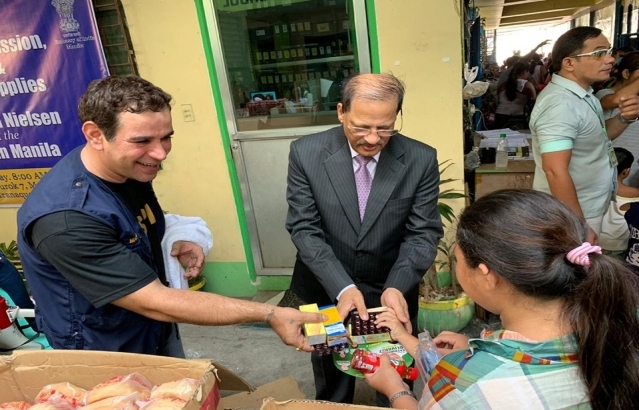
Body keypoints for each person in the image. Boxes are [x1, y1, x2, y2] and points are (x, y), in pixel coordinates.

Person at [16, 75, 325, 356]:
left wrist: (172, 240)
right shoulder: (66, 219)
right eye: (142, 141)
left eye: (166, 137)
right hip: (104, 351)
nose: (161, 153)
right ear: (95, 135)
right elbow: (155, 302)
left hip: (151, 332)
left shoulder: (126, 169)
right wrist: (268, 313)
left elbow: (131, 226)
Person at [365, 189, 639, 409]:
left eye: (458, 260)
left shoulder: (462, 386)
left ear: (487, 275)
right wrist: (479, 353)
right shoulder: (616, 329)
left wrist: (395, 390)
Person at [283, 73, 443, 404]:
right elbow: (304, 227)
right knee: (332, 377)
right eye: (361, 127)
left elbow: (423, 232)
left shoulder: (420, 159)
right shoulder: (306, 153)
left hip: (391, 286)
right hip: (329, 284)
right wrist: (342, 287)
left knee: (396, 375)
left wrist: (397, 286)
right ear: (341, 111)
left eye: (385, 128)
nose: (372, 139)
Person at [530, 26, 639, 244]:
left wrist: (624, 118)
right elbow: (555, 170)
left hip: (584, 207)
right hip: (572, 213)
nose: (610, 59)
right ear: (569, 63)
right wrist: (578, 224)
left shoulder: (583, 95)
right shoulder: (560, 104)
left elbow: (598, 136)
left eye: (609, 51)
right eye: (599, 53)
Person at [596, 51, 639, 187]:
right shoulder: (604, 94)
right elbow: (616, 100)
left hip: (632, 173)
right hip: (608, 172)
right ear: (626, 73)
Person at [600, 148, 639, 260]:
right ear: (626, 171)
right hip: (619, 244)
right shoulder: (635, 194)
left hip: (597, 239)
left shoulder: (594, 189)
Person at [493, 62, 536, 129]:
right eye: (528, 72)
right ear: (525, 71)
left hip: (499, 116)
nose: (529, 74)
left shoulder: (502, 86)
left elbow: (497, 101)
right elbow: (534, 102)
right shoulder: (527, 85)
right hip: (516, 119)